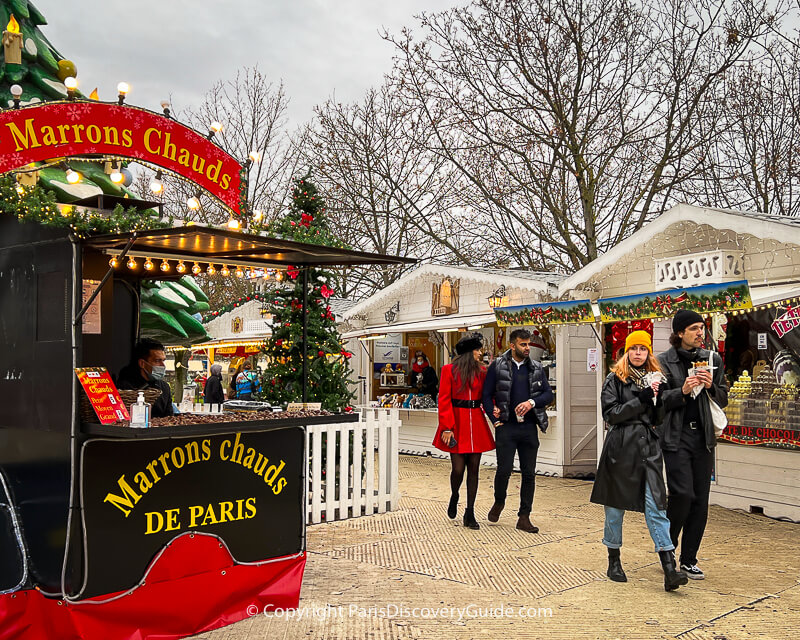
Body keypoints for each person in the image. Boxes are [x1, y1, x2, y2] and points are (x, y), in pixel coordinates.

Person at [590, 330, 689, 591]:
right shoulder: (614, 379)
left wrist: (659, 400)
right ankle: (614, 560)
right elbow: (611, 415)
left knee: (656, 505)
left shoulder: (655, 378)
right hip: (620, 448)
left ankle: (670, 569)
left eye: (643, 350)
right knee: (614, 509)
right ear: (626, 352)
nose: (638, 353)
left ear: (648, 354)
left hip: (648, 449)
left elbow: (657, 420)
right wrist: (640, 399)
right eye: (633, 349)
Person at [658, 310, 728, 581]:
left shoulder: (712, 359)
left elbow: (723, 397)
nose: (700, 333)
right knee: (682, 495)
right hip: (675, 437)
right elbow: (658, 400)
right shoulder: (663, 362)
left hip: (704, 439)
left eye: (702, 328)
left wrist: (711, 387)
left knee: (700, 499)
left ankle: (689, 559)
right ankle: (668, 549)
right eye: (694, 329)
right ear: (679, 333)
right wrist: (682, 391)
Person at [482, 328, 553, 533]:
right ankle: (499, 501)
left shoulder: (537, 368)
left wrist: (532, 402)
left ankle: (524, 516)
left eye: (528, 344)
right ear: (512, 346)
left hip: (529, 427)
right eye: (523, 344)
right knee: (504, 470)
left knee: (529, 473)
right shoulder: (497, 366)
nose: (527, 348)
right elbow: (486, 395)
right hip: (506, 426)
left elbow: (548, 395)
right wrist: (493, 419)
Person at [433, 333, 494, 530]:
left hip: (475, 420)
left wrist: (494, 410)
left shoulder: (482, 371)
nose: (480, 353)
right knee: (458, 469)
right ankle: (455, 494)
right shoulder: (448, 370)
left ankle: (470, 512)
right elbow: (443, 400)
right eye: (477, 350)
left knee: (474, 470)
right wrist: (447, 427)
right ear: (469, 352)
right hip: (456, 421)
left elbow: (487, 395)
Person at [116, 338, 174, 418]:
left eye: (163, 361)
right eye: (157, 361)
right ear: (142, 363)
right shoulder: (125, 387)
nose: (163, 365)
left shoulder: (164, 387)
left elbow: (169, 417)